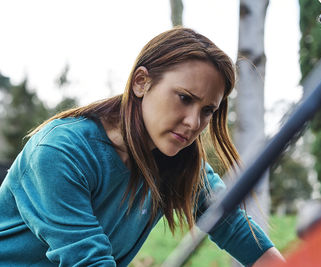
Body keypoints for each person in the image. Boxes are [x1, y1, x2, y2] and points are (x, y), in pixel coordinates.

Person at [0, 27, 284, 266]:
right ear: (141, 82)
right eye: (185, 98)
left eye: (207, 110)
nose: (193, 122)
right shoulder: (60, 152)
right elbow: (87, 260)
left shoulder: (179, 161)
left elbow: (231, 224)